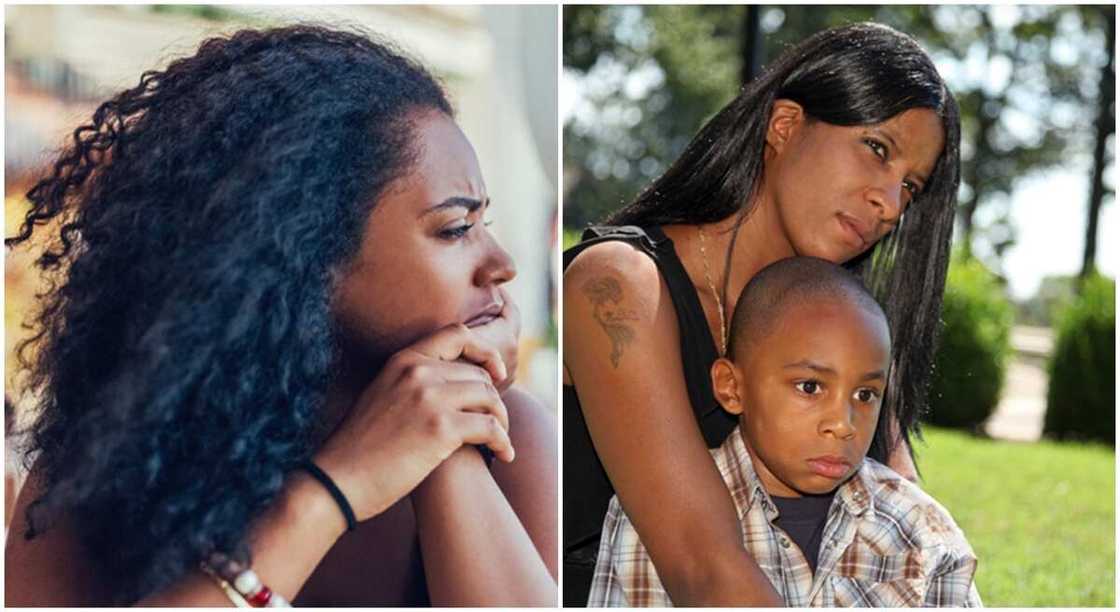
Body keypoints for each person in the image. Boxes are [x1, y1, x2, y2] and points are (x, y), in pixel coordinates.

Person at [4, 25, 556, 606]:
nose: (502, 264)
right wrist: (332, 493)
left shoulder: (511, 442)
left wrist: (444, 443)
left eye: (483, 223)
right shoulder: (103, 462)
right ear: (305, 255)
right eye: (456, 229)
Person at [563, 22, 960, 605]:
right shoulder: (618, 287)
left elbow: (915, 545)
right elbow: (703, 568)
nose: (889, 203)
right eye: (877, 149)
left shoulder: (849, 334)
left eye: (911, 187)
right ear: (785, 125)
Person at [589, 256, 982, 607]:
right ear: (732, 387)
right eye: (810, 387)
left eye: (865, 394)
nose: (843, 424)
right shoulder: (652, 520)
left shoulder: (920, 531)